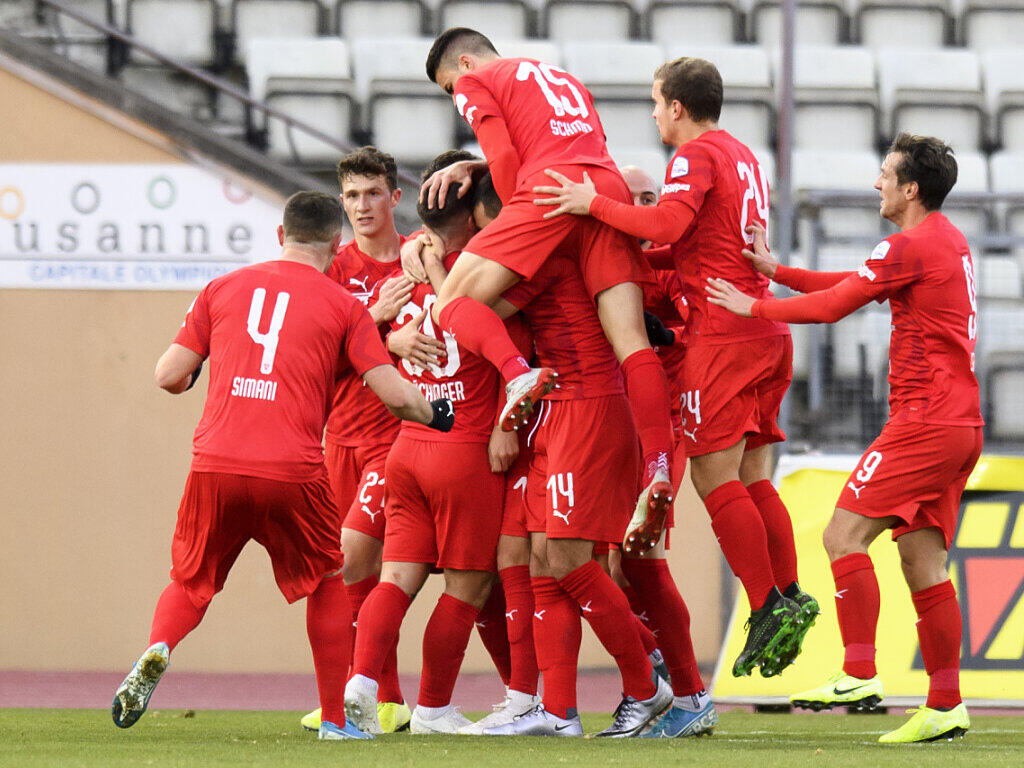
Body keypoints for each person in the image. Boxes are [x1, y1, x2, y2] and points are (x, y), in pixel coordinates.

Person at [110, 192, 453, 740]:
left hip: (215, 463)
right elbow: (393, 394)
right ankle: (336, 722)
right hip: (293, 468)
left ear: (279, 235)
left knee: (192, 581)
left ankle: (158, 647)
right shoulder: (344, 305)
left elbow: (168, 375)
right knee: (326, 582)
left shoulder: (222, 287)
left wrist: (204, 373)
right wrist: (436, 413)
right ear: (335, 245)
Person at [532, 55, 816, 678]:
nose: (655, 112)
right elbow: (693, 242)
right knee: (753, 475)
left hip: (720, 336)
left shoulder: (694, 156)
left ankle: (767, 604)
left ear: (678, 107)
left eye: (657, 102)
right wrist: (642, 257)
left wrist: (592, 206)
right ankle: (789, 592)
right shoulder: (743, 153)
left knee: (717, 483)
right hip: (765, 330)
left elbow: (667, 221)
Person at [707, 133, 983, 744]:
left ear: (911, 189)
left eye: (885, 173)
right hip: (961, 423)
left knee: (841, 534)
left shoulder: (909, 244)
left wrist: (753, 307)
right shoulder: (946, 241)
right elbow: (849, 284)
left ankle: (859, 671)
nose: (876, 183)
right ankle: (945, 703)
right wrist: (777, 272)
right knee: (924, 563)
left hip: (925, 420)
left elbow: (835, 306)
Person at [429, 175, 672, 737]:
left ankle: (648, 682)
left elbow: (469, 306)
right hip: (559, 408)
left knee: (567, 559)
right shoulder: (560, 240)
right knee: (543, 560)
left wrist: (439, 273)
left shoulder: (549, 244)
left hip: (587, 405)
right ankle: (558, 710)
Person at [420, 28, 677, 551]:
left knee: (451, 304)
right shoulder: (562, 78)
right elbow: (575, 143)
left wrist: (508, 234)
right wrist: (479, 165)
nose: (455, 97)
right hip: (598, 189)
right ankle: (658, 466)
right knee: (632, 342)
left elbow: (509, 163)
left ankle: (516, 376)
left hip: (544, 191)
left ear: (464, 63)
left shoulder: (478, 82)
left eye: (450, 87)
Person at [344, 152, 527, 735]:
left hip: (409, 446)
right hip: (464, 450)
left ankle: (362, 682)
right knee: (468, 586)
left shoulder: (409, 276)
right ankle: (434, 707)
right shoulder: (486, 278)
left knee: (396, 578)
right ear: (475, 218)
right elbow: (487, 333)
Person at [301, 147, 418, 734]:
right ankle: (369, 695)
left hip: (394, 440)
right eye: (351, 196)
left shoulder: (421, 261)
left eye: (373, 193)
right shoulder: (332, 270)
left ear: (395, 197)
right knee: (348, 572)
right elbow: (321, 354)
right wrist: (374, 324)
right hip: (336, 440)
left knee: (355, 563)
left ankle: (372, 694)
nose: (362, 206)